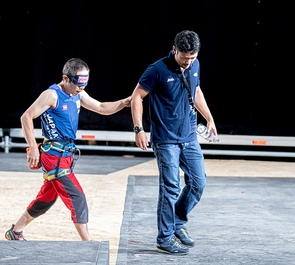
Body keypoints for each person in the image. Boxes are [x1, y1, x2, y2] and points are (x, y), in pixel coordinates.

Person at [5, 58, 131, 241]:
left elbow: (102, 108)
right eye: (78, 84)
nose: (81, 88)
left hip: (66, 155)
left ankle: (15, 232)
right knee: (77, 197)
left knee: (47, 198)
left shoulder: (78, 94)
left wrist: (124, 102)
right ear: (66, 78)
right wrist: (32, 146)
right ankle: (88, 244)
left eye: (84, 84)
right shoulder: (51, 95)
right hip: (53, 156)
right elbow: (26, 117)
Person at [131, 30, 217, 255]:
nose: (188, 62)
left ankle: (177, 223)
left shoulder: (194, 65)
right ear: (174, 49)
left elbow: (196, 90)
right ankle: (165, 238)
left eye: (193, 57)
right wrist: (139, 129)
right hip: (166, 140)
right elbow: (137, 97)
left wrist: (208, 117)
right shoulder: (157, 70)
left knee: (199, 183)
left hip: (189, 137)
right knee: (170, 188)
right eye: (184, 57)